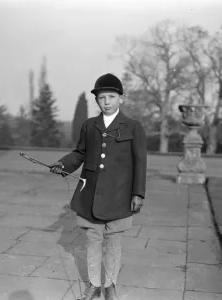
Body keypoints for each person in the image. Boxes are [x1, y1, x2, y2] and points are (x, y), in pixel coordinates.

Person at [50, 73, 147, 300]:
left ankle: (110, 284)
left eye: (111, 97)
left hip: (120, 195)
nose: (106, 102)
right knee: (93, 240)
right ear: (97, 100)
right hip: (90, 194)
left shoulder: (133, 127)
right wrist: (63, 164)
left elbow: (141, 163)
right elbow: (80, 153)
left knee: (113, 241)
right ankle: (94, 285)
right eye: (102, 97)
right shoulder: (89, 125)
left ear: (121, 99)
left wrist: (138, 193)